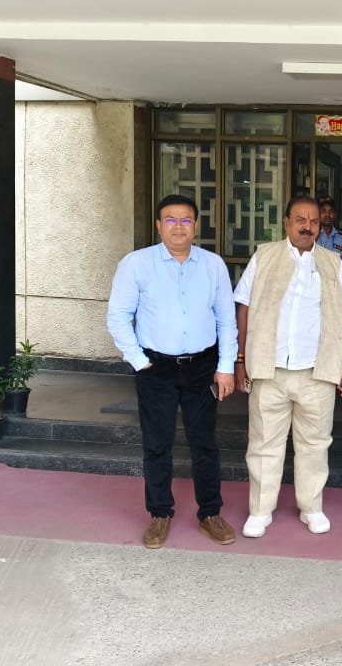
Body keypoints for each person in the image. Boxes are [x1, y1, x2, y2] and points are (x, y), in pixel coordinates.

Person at [106, 193, 238, 549]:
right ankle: (160, 513)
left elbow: (226, 320)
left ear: (196, 225)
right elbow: (118, 317)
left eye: (185, 220)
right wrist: (139, 361)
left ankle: (210, 513)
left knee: (204, 443)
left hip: (202, 367)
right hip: (156, 368)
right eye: (170, 220)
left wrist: (226, 367)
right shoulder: (136, 264)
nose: (178, 227)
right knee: (157, 444)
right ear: (158, 225)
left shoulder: (213, 265)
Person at [233, 195, 342, 538]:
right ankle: (260, 510)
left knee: (315, 445)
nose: (307, 226)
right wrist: (240, 359)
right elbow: (244, 307)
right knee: (263, 444)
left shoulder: (333, 263)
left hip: (317, 371)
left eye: (314, 221)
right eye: (300, 219)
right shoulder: (264, 255)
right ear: (286, 223)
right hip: (268, 368)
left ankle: (311, 507)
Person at [316, 195, 342, 274]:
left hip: (335, 280)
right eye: (324, 211)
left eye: (331, 211)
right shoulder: (312, 237)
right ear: (318, 214)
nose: (328, 215)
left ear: (335, 215)